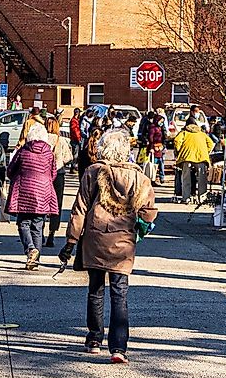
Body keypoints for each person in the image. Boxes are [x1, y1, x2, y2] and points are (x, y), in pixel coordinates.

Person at [59, 130, 157, 362]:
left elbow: (80, 208)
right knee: (120, 292)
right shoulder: (140, 178)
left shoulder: (93, 172)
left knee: (95, 289)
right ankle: (119, 348)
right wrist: (138, 223)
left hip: (96, 236)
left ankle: (94, 339)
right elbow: (149, 212)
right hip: (123, 241)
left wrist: (71, 241)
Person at [7, 122, 58, 269]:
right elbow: (53, 173)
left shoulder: (23, 151)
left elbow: (10, 170)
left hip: (24, 191)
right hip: (43, 192)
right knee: (37, 226)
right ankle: (35, 260)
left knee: (23, 223)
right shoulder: (49, 153)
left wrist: (16, 177)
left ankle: (30, 249)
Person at [46, 116, 75, 247]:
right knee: (56, 204)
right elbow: (69, 157)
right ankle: (52, 233)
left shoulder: (41, 138)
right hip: (58, 174)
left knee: (42, 202)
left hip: (43, 175)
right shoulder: (61, 140)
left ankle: (39, 231)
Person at [174, 118, 215, 203]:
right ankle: (202, 198)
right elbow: (211, 144)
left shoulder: (184, 133)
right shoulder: (202, 134)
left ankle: (186, 198)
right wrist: (205, 151)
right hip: (201, 158)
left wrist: (179, 151)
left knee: (186, 178)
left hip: (186, 157)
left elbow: (177, 141)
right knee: (202, 179)